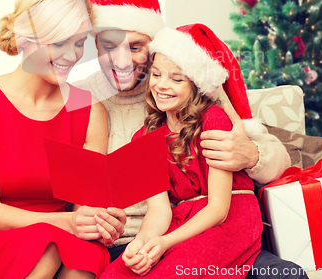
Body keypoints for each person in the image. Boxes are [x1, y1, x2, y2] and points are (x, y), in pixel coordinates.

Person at [0, 0, 304, 279]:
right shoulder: (84, 99)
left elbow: (279, 160)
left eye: (137, 46)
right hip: (116, 245)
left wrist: (252, 154)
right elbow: (30, 153)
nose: (123, 59)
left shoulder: (185, 91)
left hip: (192, 233)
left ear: (157, 47)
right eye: (108, 45)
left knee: (285, 276)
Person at [0, 0, 119, 279]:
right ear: (24, 40)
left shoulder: (89, 110)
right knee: (45, 246)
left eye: (79, 43)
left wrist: (100, 220)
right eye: (58, 42)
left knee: (86, 252)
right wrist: (70, 225)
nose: (71, 56)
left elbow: (85, 206)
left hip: (58, 240)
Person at [100, 24, 263, 278]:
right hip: (181, 219)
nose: (162, 86)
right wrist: (141, 243)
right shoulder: (142, 138)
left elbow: (219, 210)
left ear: (196, 85)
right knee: (117, 273)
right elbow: (159, 211)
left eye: (176, 78)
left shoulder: (214, 120)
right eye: (156, 75)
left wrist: (165, 243)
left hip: (229, 219)